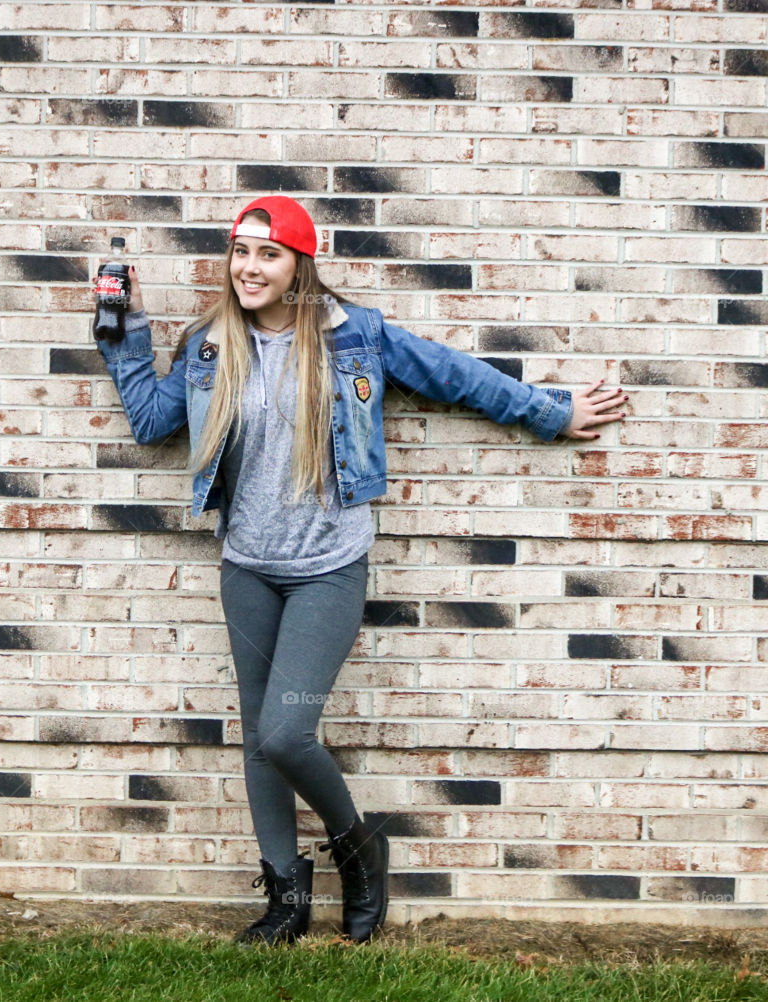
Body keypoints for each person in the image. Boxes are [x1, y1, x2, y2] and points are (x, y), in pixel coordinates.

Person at [95, 195, 626, 946]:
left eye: (268, 253)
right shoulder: (212, 344)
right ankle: (286, 898)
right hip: (246, 567)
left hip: (327, 570)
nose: (250, 266)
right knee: (257, 739)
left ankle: (358, 848)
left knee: (285, 733)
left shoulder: (357, 338)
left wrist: (548, 410)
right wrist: (121, 328)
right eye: (241, 252)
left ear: (299, 264)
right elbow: (152, 421)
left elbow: (457, 377)